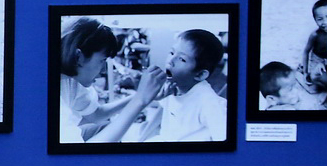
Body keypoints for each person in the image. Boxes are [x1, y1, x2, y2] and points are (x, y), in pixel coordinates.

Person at [94, 30, 228, 143]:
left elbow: (224, 142)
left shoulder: (210, 103)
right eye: (172, 53)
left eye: (182, 59)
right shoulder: (172, 87)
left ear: (200, 74)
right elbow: (159, 119)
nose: (171, 61)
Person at [55, 17, 126, 144]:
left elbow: (95, 114)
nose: (104, 70)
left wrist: (143, 96)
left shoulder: (70, 81)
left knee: (106, 127)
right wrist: (140, 101)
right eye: (102, 60)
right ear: (78, 56)